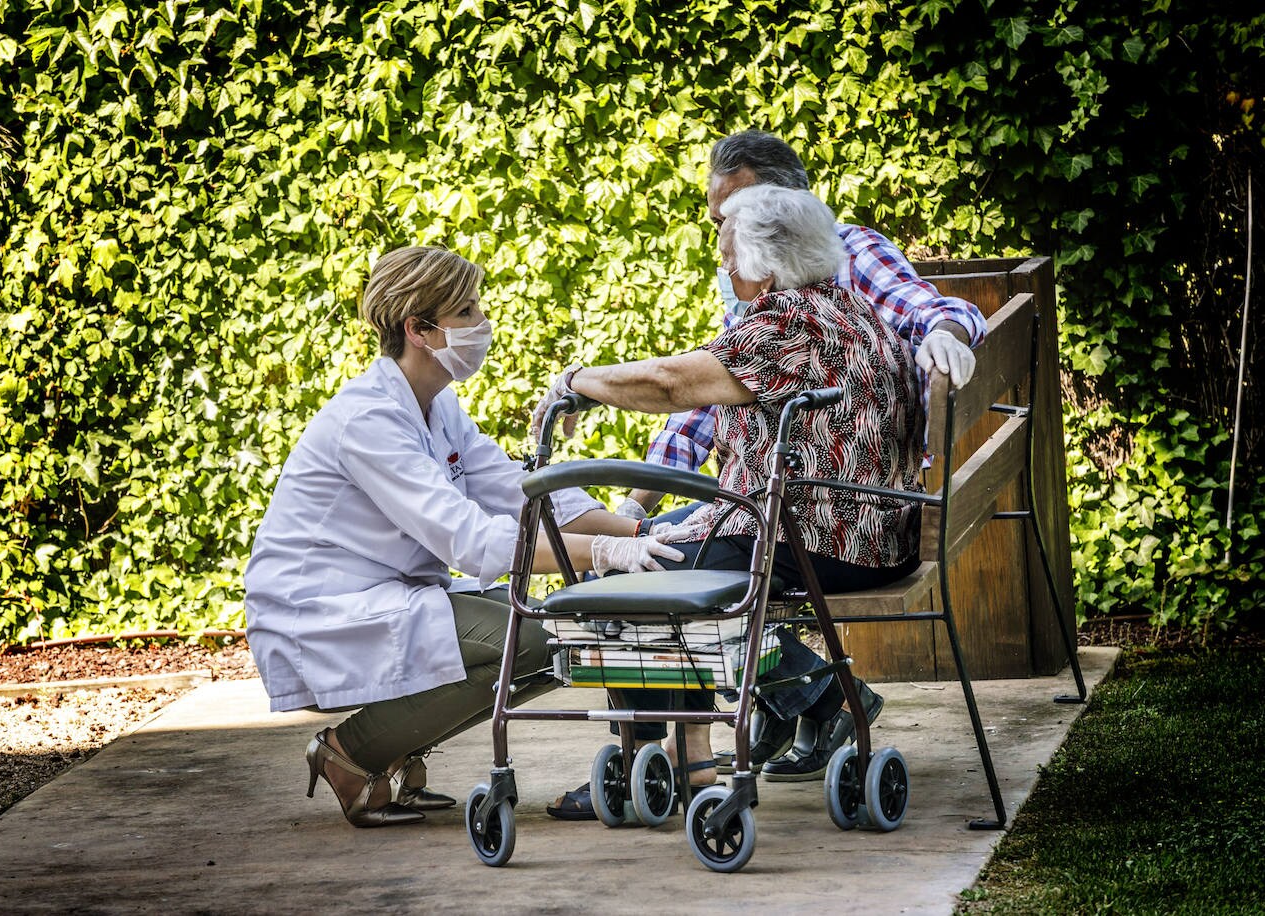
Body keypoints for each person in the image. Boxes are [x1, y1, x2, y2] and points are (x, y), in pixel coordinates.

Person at [243, 246, 683, 828]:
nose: (483, 324)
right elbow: (472, 542)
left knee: (567, 623)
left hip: (396, 594)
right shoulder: (368, 420)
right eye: (468, 311)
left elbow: (526, 494)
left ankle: (388, 749)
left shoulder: (438, 404)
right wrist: (606, 553)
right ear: (419, 329)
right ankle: (351, 754)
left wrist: (639, 531)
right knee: (548, 632)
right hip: (322, 609)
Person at [532, 184, 926, 818]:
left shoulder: (789, 323)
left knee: (641, 564)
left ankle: (659, 762)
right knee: (654, 541)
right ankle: (686, 748)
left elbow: (669, 384)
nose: (721, 264)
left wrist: (574, 380)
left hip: (819, 534)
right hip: (864, 529)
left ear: (766, 262)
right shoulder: (850, 312)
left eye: (727, 251)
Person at [612, 130, 988, 784]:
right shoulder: (762, 282)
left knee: (645, 571)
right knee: (642, 546)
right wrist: (637, 500)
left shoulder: (845, 258)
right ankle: (787, 703)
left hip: (827, 524)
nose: (722, 235)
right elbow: (720, 392)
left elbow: (928, 310)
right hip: (833, 520)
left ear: (780, 199)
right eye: (717, 222)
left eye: (732, 215)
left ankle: (668, 760)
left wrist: (946, 336)